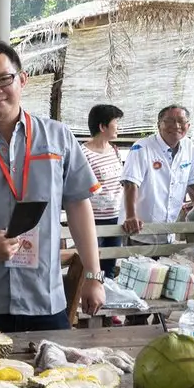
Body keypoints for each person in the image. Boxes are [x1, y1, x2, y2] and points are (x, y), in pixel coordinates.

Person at [0, 39, 105, 333]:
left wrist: (93, 275)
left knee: (53, 375)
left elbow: (78, 205)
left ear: (22, 79)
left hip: (44, 297)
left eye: (4, 79)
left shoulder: (58, 137)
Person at [120, 104, 194, 245]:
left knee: (164, 266)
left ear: (188, 125)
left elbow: (193, 183)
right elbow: (131, 184)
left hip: (168, 231)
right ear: (158, 125)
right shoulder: (142, 147)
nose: (176, 126)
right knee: (141, 266)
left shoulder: (188, 147)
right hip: (139, 231)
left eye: (181, 121)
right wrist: (131, 216)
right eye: (169, 121)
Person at [82, 104, 125, 278]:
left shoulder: (114, 150)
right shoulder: (83, 153)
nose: (118, 127)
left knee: (110, 265)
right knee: (92, 264)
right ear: (102, 126)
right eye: (115, 123)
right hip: (93, 218)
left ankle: (107, 296)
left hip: (115, 217)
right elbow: (80, 188)